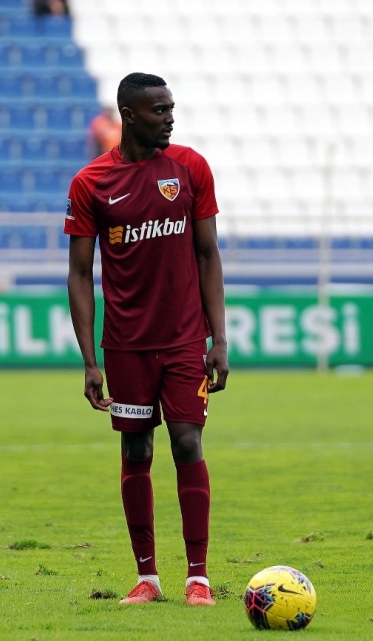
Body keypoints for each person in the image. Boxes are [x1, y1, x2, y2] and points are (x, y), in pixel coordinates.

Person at [65, 72, 229, 607]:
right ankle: (148, 579)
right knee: (136, 448)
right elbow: (79, 274)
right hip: (127, 346)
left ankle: (198, 578)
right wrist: (91, 361)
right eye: (159, 110)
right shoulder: (91, 183)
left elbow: (208, 254)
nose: (170, 117)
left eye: (171, 107)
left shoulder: (189, 168)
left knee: (187, 441)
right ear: (130, 116)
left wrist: (218, 339)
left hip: (184, 340)